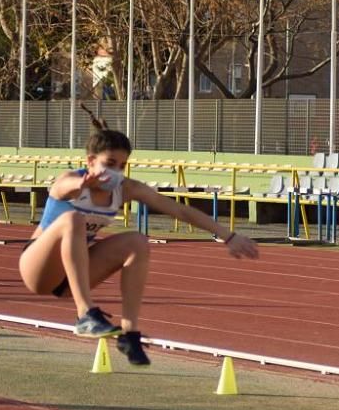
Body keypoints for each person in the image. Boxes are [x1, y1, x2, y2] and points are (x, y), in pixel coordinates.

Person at [18, 108, 259, 367]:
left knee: (138, 241)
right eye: (109, 164)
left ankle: (129, 333)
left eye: (122, 166)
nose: (116, 172)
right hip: (38, 269)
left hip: (75, 274)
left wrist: (228, 236)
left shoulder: (126, 188)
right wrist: (81, 185)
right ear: (90, 162)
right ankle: (85, 314)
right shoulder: (70, 180)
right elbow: (62, 187)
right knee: (72, 219)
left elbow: (178, 209)